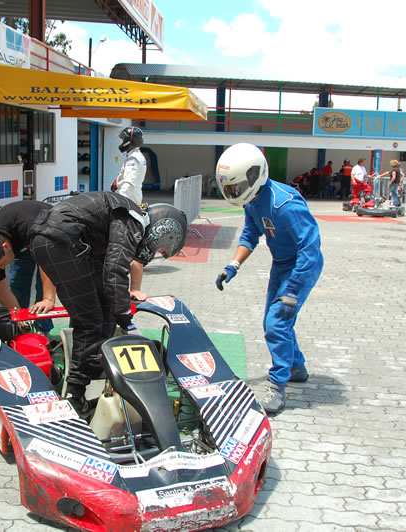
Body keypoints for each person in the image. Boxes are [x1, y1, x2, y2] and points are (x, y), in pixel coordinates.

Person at [29, 191, 187, 415]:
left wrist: (116, 311)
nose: (155, 252)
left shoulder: (126, 214)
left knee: (101, 307)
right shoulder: (133, 220)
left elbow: (106, 276)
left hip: (52, 238)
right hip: (62, 241)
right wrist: (125, 319)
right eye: (160, 247)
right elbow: (115, 270)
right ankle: (74, 395)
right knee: (90, 321)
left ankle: (94, 367)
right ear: (163, 230)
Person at [213, 143, 323, 415]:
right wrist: (233, 265)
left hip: (301, 266)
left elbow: (310, 248)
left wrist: (293, 289)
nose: (234, 193)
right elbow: (250, 234)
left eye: (237, 187)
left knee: (277, 323)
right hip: (281, 265)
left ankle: (278, 386)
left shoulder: (285, 204)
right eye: (230, 189)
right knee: (274, 322)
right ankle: (296, 366)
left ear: (255, 175)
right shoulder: (252, 200)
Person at [0, 201, 56, 336]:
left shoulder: (28, 225)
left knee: (44, 289)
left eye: (2, 264)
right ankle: (21, 326)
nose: (2, 268)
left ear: (5, 246)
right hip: (20, 243)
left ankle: (43, 329)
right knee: (18, 284)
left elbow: (47, 264)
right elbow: (0, 287)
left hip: (46, 233)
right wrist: (18, 316)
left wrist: (48, 299)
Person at [113, 126, 150, 301]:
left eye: (124, 139)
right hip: (132, 204)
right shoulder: (135, 156)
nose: (122, 142)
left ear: (130, 141)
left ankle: (132, 289)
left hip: (128, 207)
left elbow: (129, 183)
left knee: (126, 247)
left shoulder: (134, 158)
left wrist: (117, 203)